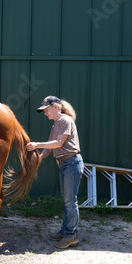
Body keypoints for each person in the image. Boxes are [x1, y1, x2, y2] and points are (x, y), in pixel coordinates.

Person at [26, 96, 84, 249]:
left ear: (56, 107)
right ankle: (66, 231)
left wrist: (36, 144)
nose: (45, 113)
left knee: (70, 202)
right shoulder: (55, 125)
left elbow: (58, 143)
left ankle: (71, 236)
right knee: (67, 202)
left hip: (71, 163)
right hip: (64, 164)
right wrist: (38, 159)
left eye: (46, 110)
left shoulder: (65, 121)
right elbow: (49, 148)